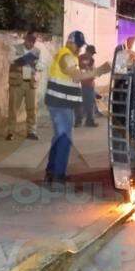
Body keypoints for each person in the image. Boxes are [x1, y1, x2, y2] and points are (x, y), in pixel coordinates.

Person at [44, 31, 110, 187]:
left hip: (62, 104)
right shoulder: (65, 56)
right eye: (79, 46)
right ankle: (57, 176)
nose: (80, 49)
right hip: (60, 105)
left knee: (59, 138)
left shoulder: (68, 56)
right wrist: (99, 71)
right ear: (72, 42)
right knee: (64, 139)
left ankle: (51, 172)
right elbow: (75, 75)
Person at [6, 31, 42, 141]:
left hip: (31, 82)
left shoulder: (37, 51)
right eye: (29, 40)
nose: (31, 43)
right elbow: (11, 60)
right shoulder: (15, 48)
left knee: (32, 109)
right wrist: (28, 60)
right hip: (17, 82)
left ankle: (31, 131)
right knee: (13, 108)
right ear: (25, 39)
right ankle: (11, 132)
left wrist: (33, 64)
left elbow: (40, 65)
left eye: (33, 41)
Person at [75, 44, 98, 128]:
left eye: (92, 54)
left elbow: (94, 71)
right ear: (87, 51)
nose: (91, 55)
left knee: (90, 103)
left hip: (89, 84)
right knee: (79, 103)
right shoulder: (79, 58)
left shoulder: (91, 60)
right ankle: (77, 120)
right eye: (91, 53)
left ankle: (89, 120)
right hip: (80, 84)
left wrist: (92, 72)